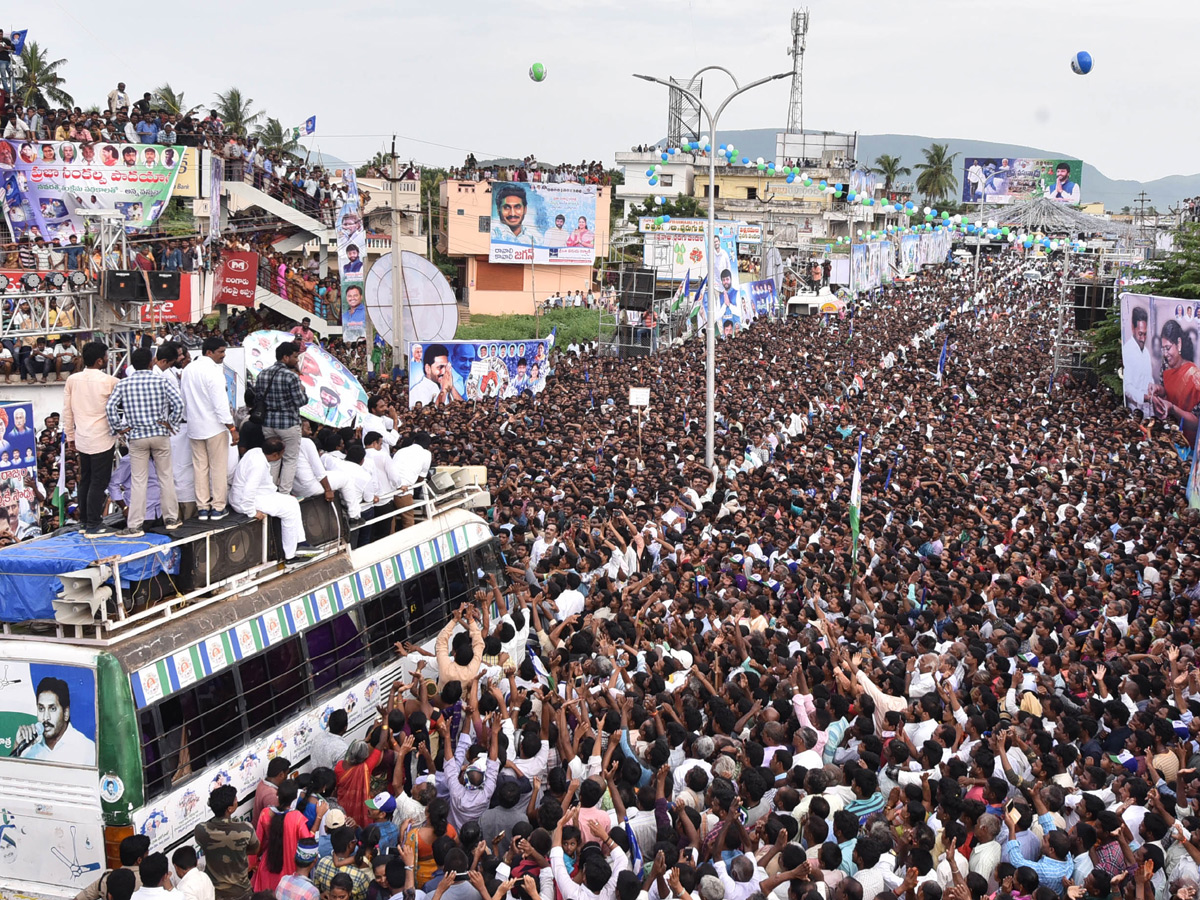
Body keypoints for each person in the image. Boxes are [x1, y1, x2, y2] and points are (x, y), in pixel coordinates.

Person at [105, 347, 184, 536]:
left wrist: (119, 428)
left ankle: (134, 525)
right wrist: (170, 424)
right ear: (152, 362)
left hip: (137, 437)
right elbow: (179, 404)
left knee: (139, 481)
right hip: (159, 434)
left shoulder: (124, 384)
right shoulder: (161, 381)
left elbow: (110, 407)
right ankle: (171, 519)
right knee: (165, 476)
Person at [63, 341, 119, 535]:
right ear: (99, 360)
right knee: (98, 482)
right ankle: (94, 524)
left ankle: (85, 522)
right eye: (106, 356)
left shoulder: (72, 380)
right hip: (102, 438)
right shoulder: (110, 381)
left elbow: (67, 411)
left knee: (85, 480)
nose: (107, 359)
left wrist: (70, 435)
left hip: (82, 438)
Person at [180, 337, 236, 521]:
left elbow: (184, 399)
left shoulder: (188, 369)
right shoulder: (213, 372)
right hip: (214, 427)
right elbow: (220, 404)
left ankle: (203, 508)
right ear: (209, 352)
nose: (224, 355)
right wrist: (232, 427)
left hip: (195, 427)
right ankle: (218, 508)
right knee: (218, 468)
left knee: (200, 468)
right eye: (221, 352)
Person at [229, 437, 307, 559]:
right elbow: (249, 490)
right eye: (282, 453)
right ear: (275, 455)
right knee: (290, 511)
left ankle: (301, 543)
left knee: (292, 502)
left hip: (256, 495)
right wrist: (252, 512)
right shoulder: (259, 465)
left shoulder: (255, 451)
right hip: (245, 501)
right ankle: (290, 555)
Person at [252, 341, 308, 494]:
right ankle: (284, 493)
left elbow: (257, 399)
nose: (297, 360)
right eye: (295, 357)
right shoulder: (291, 377)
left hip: (268, 423)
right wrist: (303, 391)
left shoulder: (263, 374)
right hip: (288, 423)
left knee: (273, 458)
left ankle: (268, 492)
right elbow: (300, 401)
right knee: (290, 459)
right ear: (285, 357)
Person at [195, 785, 260, 900]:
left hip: (215, 892)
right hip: (241, 891)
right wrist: (239, 850)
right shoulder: (245, 829)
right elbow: (255, 849)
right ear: (229, 809)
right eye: (235, 800)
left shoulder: (201, 830)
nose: (237, 801)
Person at [11, 675, 95, 764]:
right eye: (41, 709)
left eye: (52, 709)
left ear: (66, 713)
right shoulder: (28, 748)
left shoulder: (87, 750)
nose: (45, 717)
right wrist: (18, 747)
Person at [252, 780, 314, 893]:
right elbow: (308, 842)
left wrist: (254, 863)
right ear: (295, 798)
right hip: (289, 868)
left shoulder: (265, 813)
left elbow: (257, 843)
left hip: (268, 865)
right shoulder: (296, 817)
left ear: (277, 795)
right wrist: (318, 819)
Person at [1150, 317, 1200, 446]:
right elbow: (1167, 389)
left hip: (1188, 443)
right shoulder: (1166, 367)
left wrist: (1172, 408)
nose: (1165, 354)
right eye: (1163, 349)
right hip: (1168, 437)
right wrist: (1157, 389)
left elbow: (1196, 422)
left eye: (1167, 348)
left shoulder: (1195, 376)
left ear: (1179, 343)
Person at [388, 431, 432, 529]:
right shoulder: (426, 454)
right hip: (404, 490)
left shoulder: (401, 451)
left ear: (414, 441)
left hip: (388, 489)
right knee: (408, 520)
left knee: (390, 520)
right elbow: (421, 478)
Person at [1122, 305, 1153, 417]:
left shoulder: (1146, 353)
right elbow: (1127, 387)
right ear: (1132, 328)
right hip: (1133, 410)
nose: (1143, 338)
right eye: (1140, 334)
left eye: (1145, 334)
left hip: (1148, 410)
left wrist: (1153, 389)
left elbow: (1149, 378)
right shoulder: (1127, 351)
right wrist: (1144, 397)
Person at [409, 344, 461, 408]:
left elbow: (464, 408)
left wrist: (451, 387)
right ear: (427, 368)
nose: (444, 371)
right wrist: (444, 391)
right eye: (440, 367)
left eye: (446, 367)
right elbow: (433, 414)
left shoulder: (443, 385)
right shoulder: (419, 390)